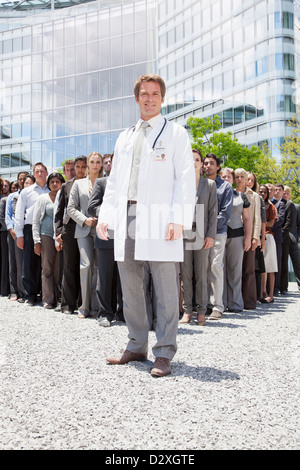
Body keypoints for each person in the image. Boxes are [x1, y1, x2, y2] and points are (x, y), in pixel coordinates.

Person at [96, 74, 195, 377]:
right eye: (143, 94)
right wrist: (105, 216)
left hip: (161, 217)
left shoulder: (175, 133)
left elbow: (185, 179)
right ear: (136, 98)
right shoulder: (125, 136)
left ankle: (164, 352)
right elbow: (114, 182)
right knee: (131, 286)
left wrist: (180, 218)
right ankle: (136, 343)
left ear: (162, 99)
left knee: (165, 288)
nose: (149, 98)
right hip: (128, 215)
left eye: (155, 94)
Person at [179, 148, 217, 326]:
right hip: (185, 230)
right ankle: (187, 311)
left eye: (197, 159)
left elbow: (212, 211)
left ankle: (201, 311)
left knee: (202, 273)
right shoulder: (181, 183)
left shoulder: (209, 185)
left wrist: (210, 235)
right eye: (190, 159)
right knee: (185, 273)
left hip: (202, 231)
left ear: (202, 163)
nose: (193, 162)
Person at [88, 153, 124, 327]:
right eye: (110, 161)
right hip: (106, 236)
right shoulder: (102, 183)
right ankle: (105, 313)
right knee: (105, 277)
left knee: (124, 278)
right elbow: (92, 206)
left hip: (126, 237)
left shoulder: (129, 183)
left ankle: (123, 313)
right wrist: (110, 209)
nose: (112, 164)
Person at [67, 151, 103, 318]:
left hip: (101, 229)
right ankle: (84, 307)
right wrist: (84, 220)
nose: (95, 164)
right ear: (88, 164)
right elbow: (71, 208)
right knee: (86, 266)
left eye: (98, 161)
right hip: (83, 229)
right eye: (92, 161)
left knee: (98, 268)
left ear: (101, 164)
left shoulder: (106, 183)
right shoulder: (78, 184)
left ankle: (96, 308)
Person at [55, 156, 87, 314]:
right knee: (68, 267)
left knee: (84, 266)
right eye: (78, 166)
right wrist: (58, 232)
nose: (80, 170)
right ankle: (68, 305)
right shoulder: (67, 185)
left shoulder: (92, 183)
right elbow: (59, 211)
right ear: (74, 167)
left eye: (83, 166)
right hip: (69, 229)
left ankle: (83, 303)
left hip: (87, 229)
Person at [203, 153, 233, 320]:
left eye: (212, 163)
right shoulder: (199, 184)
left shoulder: (225, 187)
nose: (208, 166)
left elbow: (225, 213)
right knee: (203, 269)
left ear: (218, 167)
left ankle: (217, 306)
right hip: (199, 233)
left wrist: (210, 230)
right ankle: (205, 304)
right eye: (206, 163)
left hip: (217, 233)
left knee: (215, 267)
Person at [15, 163, 49, 306]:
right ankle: (30, 295)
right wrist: (19, 234)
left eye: (42, 171)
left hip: (46, 229)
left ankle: (44, 294)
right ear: (33, 174)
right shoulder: (26, 192)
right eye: (37, 172)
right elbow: (19, 213)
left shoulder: (52, 190)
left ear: (46, 173)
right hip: (29, 229)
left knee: (45, 262)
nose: (40, 174)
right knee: (29, 263)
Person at [220, 167, 251, 313]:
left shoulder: (241, 196)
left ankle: (235, 304)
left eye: (229, 177)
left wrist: (248, 238)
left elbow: (247, 218)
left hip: (237, 236)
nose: (226, 179)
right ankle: (220, 303)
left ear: (233, 180)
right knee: (219, 270)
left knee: (235, 271)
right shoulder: (215, 194)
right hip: (219, 235)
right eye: (224, 177)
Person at [32, 173, 65, 309]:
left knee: (59, 269)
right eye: (52, 182)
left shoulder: (65, 197)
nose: (55, 184)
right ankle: (47, 300)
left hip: (60, 237)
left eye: (57, 181)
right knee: (47, 268)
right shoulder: (42, 198)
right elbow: (35, 220)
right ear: (48, 184)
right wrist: (36, 241)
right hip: (46, 236)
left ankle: (59, 300)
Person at [235, 168, 261, 310]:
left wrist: (254, 237)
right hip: (234, 234)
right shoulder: (231, 192)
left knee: (248, 269)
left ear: (246, 179)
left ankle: (249, 302)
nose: (239, 179)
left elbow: (257, 218)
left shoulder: (254, 196)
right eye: (237, 176)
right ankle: (235, 300)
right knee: (235, 269)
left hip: (249, 235)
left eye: (242, 177)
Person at [5, 172, 29, 301]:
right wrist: (12, 230)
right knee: (14, 262)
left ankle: (27, 291)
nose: (21, 181)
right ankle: (15, 290)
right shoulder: (12, 196)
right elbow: (8, 215)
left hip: (27, 231)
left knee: (25, 263)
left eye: (24, 179)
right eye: (20, 180)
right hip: (14, 232)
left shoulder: (31, 194)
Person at [258, 185, 278, 303]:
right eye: (260, 191)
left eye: (264, 192)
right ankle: (261, 292)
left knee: (270, 266)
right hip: (257, 236)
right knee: (260, 267)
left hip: (268, 237)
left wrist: (261, 223)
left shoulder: (271, 207)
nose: (262, 194)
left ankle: (270, 294)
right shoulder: (255, 204)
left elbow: (271, 223)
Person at [280, 186, 300, 293]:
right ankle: (283, 287)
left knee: (297, 262)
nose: (285, 194)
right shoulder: (280, 205)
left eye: (287, 192)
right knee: (284, 264)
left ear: (290, 194)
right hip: (283, 239)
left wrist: (298, 235)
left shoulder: (296, 207)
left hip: (293, 238)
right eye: (284, 192)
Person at [270, 183, 286, 296]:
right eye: (275, 190)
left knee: (277, 263)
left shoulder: (282, 204)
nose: (277, 192)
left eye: (279, 190)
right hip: (267, 236)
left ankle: (276, 288)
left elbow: (280, 219)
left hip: (276, 237)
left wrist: (268, 225)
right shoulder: (270, 203)